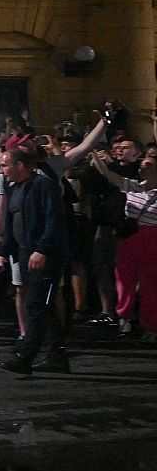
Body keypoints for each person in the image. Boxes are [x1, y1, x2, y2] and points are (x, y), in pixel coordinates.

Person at [0, 146, 72, 374]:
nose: (2, 170)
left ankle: (25, 357)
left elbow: (54, 220)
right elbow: (11, 226)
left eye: (5, 165)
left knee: (36, 304)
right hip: (24, 254)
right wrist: (3, 252)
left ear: (20, 165)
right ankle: (56, 355)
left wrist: (42, 250)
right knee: (44, 307)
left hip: (45, 257)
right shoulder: (15, 189)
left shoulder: (43, 185)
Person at [91, 147, 157, 346]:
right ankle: (125, 317)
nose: (143, 167)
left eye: (149, 165)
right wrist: (93, 150)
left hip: (152, 237)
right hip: (130, 237)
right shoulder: (134, 186)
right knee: (123, 279)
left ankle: (151, 325)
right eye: (143, 163)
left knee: (149, 284)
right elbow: (107, 173)